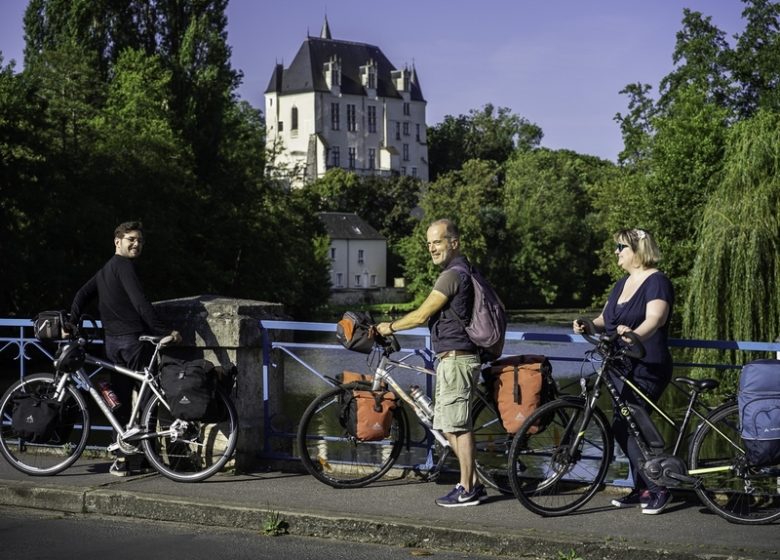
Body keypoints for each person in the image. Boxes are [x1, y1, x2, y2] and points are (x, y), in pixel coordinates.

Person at [376, 219, 485, 507]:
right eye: (429, 244)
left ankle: (468, 488)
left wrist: (390, 326)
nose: (432, 248)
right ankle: (472, 482)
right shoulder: (464, 270)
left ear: (454, 242)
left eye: (437, 241)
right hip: (454, 358)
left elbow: (422, 315)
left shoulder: (452, 275)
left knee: (457, 426)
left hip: (456, 359)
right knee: (451, 422)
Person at [573, 228, 675, 515]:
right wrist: (587, 323)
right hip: (619, 364)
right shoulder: (622, 284)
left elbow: (655, 319)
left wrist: (634, 335)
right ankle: (642, 486)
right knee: (624, 424)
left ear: (637, 250)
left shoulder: (657, 282)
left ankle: (658, 488)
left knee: (631, 425)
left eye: (620, 247)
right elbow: (606, 318)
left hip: (647, 364)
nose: (616, 252)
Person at [71, 221, 181, 476]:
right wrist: (164, 332)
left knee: (119, 403)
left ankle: (122, 459)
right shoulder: (125, 267)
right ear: (117, 241)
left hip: (113, 344)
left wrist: (71, 322)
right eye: (131, 239)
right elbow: (140, 303)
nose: (136, 244)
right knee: (147, 400)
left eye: (140, 240)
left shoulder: (105, 270)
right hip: (134, 342)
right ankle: (148, 457)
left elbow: (81, 296)